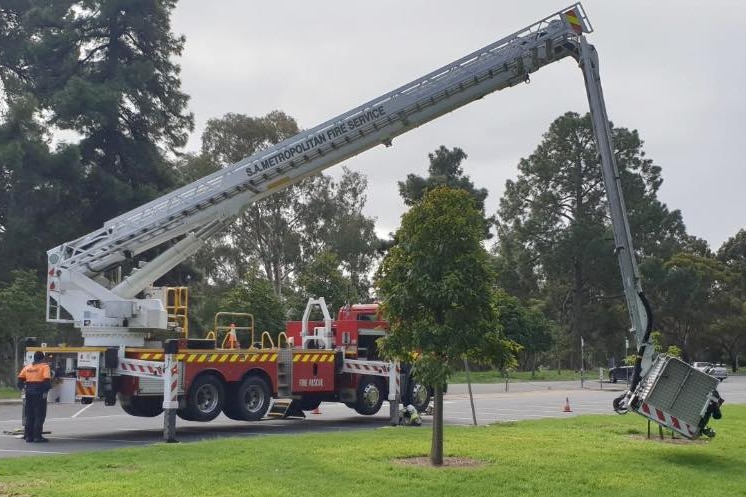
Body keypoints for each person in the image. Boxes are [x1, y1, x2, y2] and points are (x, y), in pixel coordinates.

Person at [17, 351, 52, 443]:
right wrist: (46, 391)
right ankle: (37, 437)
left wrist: (23, 389)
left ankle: (29, 437)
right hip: (39, 394)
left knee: (29, 415)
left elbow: (19, 381)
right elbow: (47, 381)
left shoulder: (27, 367)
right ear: (42, 358)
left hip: (29, 393)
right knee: (39, 415)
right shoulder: (45, 367)